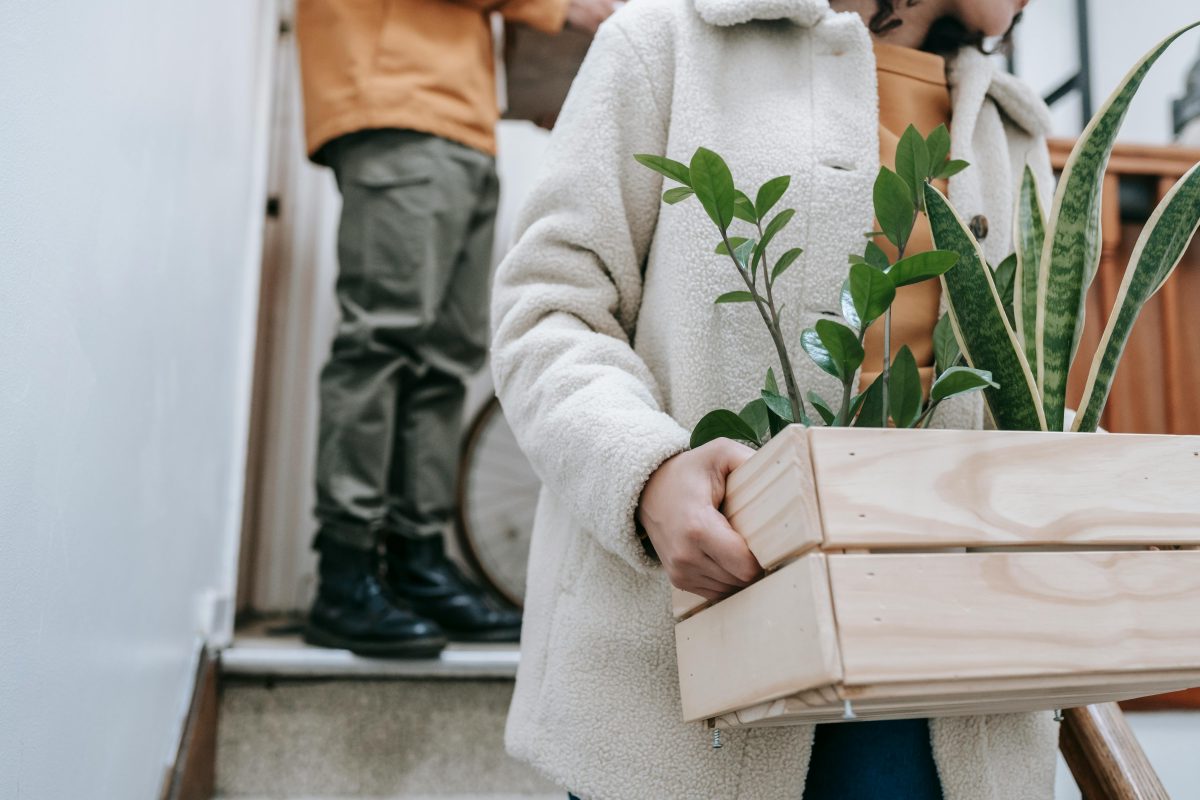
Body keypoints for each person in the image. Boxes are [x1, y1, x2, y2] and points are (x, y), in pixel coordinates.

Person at [492, 0, 1058, 797]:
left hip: (942, 691)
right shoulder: (665, 44)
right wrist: (647, 472)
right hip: (680, 672)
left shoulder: (1010, 127)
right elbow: (547, 309)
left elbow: (1029, 386)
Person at [294, 0, 619, 658]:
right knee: (384, 344)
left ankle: (415, 561)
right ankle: (346, 573)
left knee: (444, 357)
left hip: (457, 116)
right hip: (395, 98)